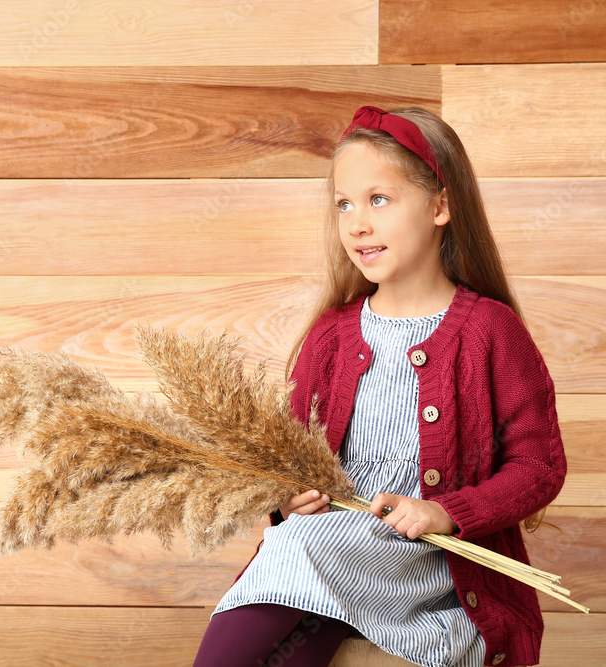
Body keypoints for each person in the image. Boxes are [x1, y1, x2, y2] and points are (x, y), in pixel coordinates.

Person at [192, 106, 567, 667]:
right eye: (344, 204)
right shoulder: (332, 334)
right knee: (298, 559)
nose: (356, 223)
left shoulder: (491, 330)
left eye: (378, 200)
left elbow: (539, 466)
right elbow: (288, 458)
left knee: (303, 551)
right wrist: (288, 500)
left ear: (440, 205)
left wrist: (448, 513)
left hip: (427, 561)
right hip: (336, 548)